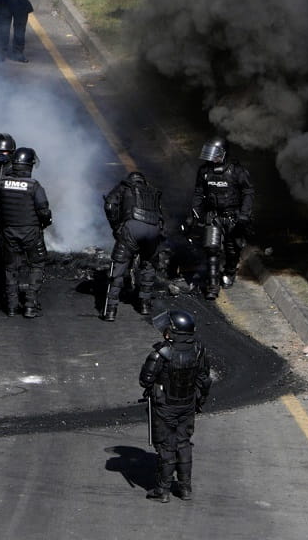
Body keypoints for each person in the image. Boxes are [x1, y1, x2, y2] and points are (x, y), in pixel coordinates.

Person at [139, 310, 213, 501]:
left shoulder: (160, 354)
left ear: (173, 332)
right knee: (184, 443)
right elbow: (204, 379)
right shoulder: (198, 350)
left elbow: (145, 380)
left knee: (166, 446)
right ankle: (185, 488)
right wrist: (199, 401)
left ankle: (163, 490)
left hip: (165, 407)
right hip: (188, 405)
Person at [0, 146, 51, 317]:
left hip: (9, 233)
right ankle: (30, 305)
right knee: (37, 264)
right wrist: (45, 222)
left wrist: (1, 221)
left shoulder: (2, 183)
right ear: (29, 166)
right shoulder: (34, 186)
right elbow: (43, 210)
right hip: (31, 232)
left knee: (11, 267)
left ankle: (12, 306)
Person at [187, 138, 254, 294]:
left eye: (216, 154)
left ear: (224, 154)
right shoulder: (204, 171)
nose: (213, 158)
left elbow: (248, 192)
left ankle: (230, 272)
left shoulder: (237, 171)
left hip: (233, 216)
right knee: (211, 248)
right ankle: (212, 285)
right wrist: (195, 213)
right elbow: (198, 193)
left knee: (232, 250)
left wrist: (244, 215)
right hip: (213, 215)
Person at [102, 170, 166, 321]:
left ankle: (110, 310)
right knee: (149, 266)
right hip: (154, 230)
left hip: (132, 228)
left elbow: (110, 205)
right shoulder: (152, 191)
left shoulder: (125, 187)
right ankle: (144, 304)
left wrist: (116, 227)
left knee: (118, 267)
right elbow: (161, 217)